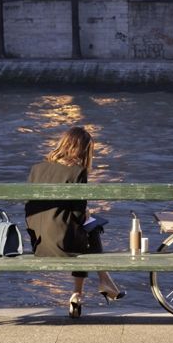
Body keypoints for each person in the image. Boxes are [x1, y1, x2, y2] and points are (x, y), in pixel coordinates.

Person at [25, 126, 125, 318]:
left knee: (87, 232)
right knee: (92, 229)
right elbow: (78, 215)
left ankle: (89, 291)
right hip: (62, 244)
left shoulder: (36, 169)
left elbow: (29, 208)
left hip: (38, 242)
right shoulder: (77, 172)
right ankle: (94, 286)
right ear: (82, 150)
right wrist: (87, 214)